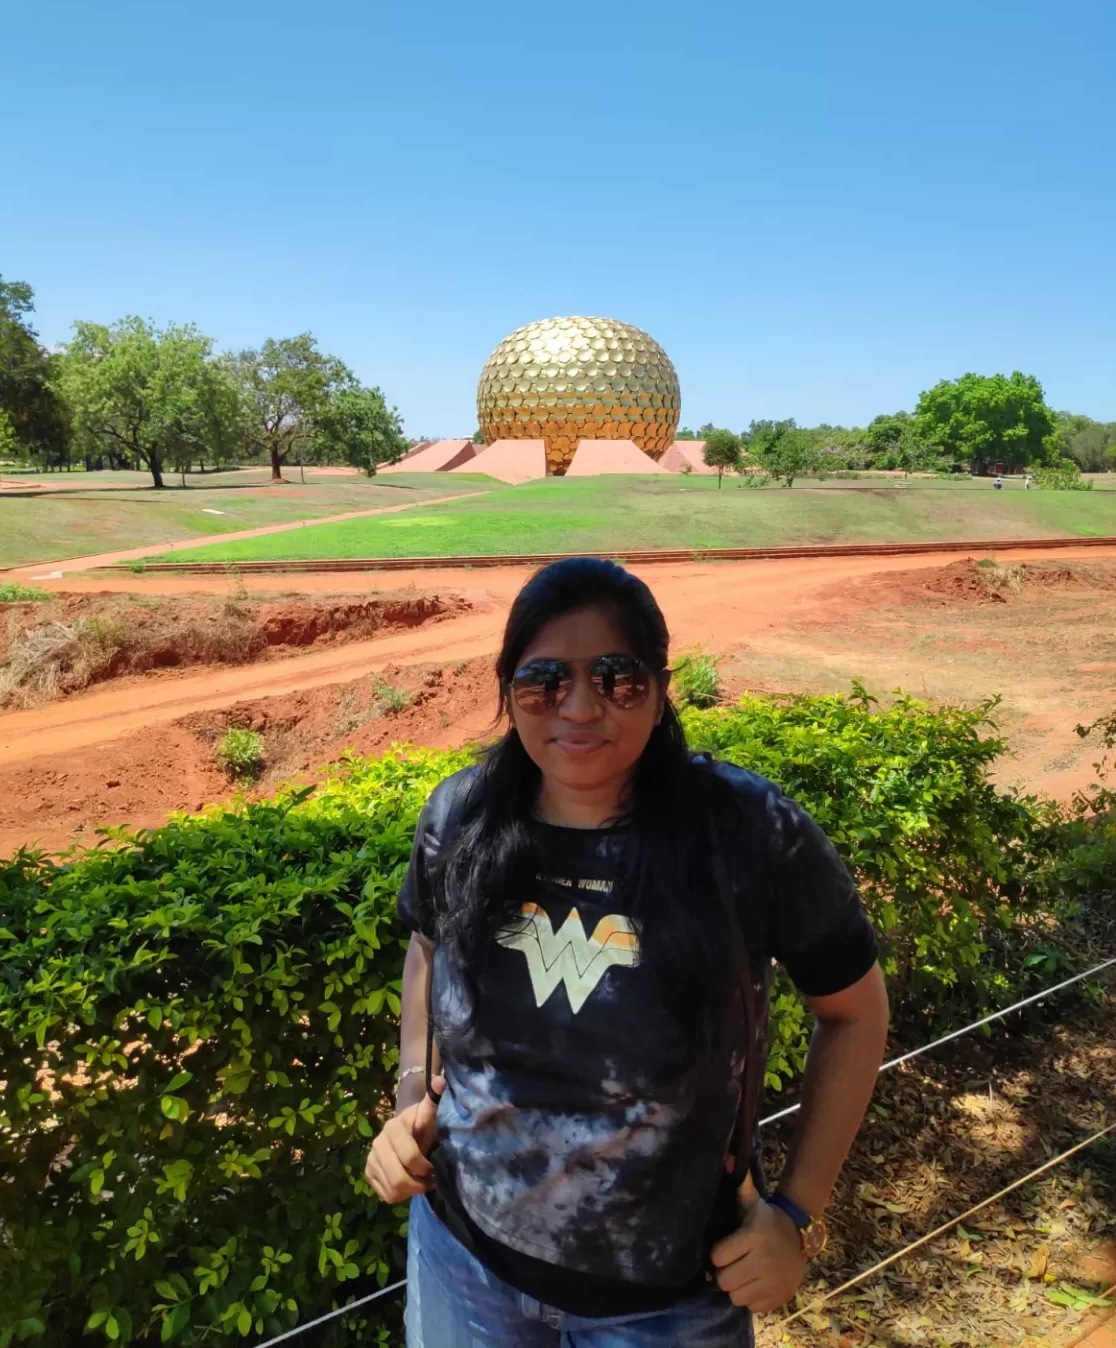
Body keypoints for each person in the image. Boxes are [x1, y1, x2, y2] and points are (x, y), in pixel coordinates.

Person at [366, 557, 889, 1346]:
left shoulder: (746, 833)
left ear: (662, 683)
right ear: (507, 689)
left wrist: (796, 1214)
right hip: (462, 1268)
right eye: (544, 679)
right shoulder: (460, 818)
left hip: (670, 1301)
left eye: (616, 677)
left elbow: (854, 1011)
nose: (579, 706)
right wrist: (412, 1094)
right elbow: (426, 945)